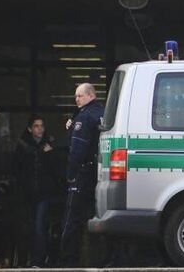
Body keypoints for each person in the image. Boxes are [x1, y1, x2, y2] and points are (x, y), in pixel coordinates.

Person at [59, 83, 104, 267]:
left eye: (79, 96)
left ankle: (66, 263)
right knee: (95, 216)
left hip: (83, 173)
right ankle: (97, 260)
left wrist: (70, 174)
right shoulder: (103, 113)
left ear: (90, 95)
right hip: (98, 172)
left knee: (71, 219)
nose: (76, 99)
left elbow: (77, 149)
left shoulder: (84, 117)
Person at [14, 116, 57, 267]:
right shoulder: (23, 146)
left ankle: (38, 260)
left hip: (43, 193)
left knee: (40, 226)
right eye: (36, 126)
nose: (40, 129)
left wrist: (50, 154)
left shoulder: (49, 146)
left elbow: (55, 170)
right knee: (28, 226)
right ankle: (27, 258)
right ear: (30, 129)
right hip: (27, 193)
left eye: (41, 126)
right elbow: (17, 169)